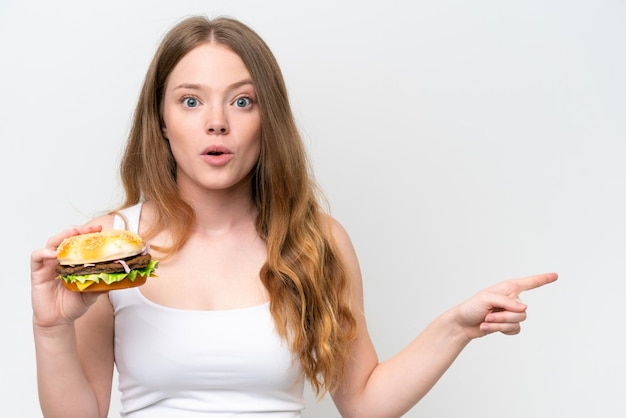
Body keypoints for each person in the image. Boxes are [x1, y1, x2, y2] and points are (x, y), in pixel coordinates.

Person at [30, 15, 558, 418]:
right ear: (162, 121)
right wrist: (51, 329)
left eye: (242, 102)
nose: (216, 123)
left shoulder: (316, 242)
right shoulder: (111, 246)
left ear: (268, 119)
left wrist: (456, 328)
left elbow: (364, 402)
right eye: (190, 102)